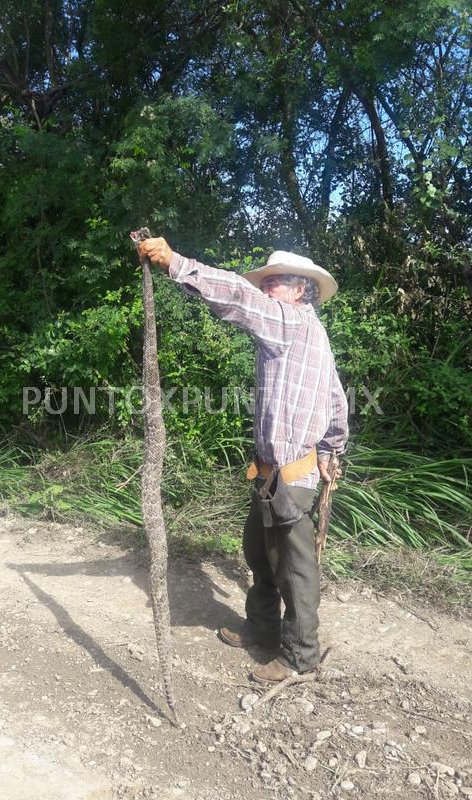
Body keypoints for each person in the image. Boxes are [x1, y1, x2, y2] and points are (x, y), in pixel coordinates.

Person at [137, 237, 348, 684]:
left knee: (293, 565)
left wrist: (177, 262)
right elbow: (335, 401)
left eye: (276, 282)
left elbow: (237, 295)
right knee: (259, 549)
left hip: (291, 474)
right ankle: (262, 628)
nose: (268, 288)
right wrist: (332, 450)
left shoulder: (290, 323)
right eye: (267, 282)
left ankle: (299, 657)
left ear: (299, 290)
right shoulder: (309, 331)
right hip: (273, 472)